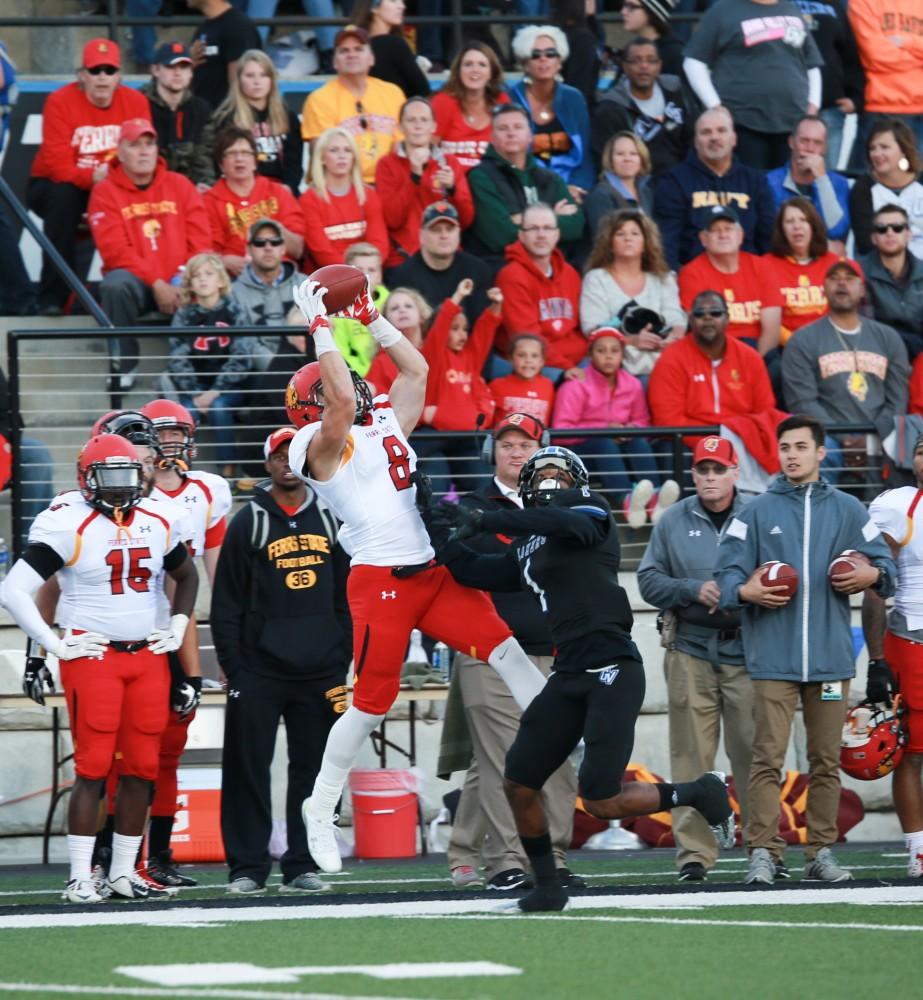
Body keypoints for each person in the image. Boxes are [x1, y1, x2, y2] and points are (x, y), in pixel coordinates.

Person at [286, 277, 548, 876]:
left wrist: (368, 316)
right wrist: (323, 326)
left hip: (431, 568)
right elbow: (343, 406)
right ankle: (320, 805)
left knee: (505, 648)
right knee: (372, 703)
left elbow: (418, 372)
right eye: (341, 382)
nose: (355, 386)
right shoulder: (313, 444)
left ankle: (557, 733)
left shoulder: (376, 424)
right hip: (381, 579)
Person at [430, 444, 734, 912]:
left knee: (601, 800)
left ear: (578, 482)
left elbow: (563, 523)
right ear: (527, 488)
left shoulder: (590, 515)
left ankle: (697, 792)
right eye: (541, 474)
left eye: (559, 474)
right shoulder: (530, 543)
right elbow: (479, 571)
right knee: (519, 781)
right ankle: (549, 884)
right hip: (569, 671)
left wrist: (488, 521)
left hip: (612, 665)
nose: (550, 482)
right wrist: (443, 536)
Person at [1, 433, 198, 902]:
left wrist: (177, 623)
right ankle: (80, 876)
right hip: (94, 657)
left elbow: (187, 574)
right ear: (86, 479)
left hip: (148, 655)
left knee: (143, 768)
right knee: (92, 769)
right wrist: (52, 645)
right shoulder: (67, 522)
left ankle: (123, 873)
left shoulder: (158, 518)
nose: (119, 488)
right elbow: (12, 590)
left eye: (127, 476)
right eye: (108, 478)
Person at [714, 413, 895, 884]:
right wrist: (745, 592)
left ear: (820, 452)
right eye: (785, 447)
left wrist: (871, 575)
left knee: (826, 760)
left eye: (800, 447)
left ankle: (820, 852)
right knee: (767, 757)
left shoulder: (851, 511)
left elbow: (884, 565)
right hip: (772, 662)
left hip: (831, 666)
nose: (791, 455)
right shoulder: (753, 512)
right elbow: (726, 574)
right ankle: (764, 852)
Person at [443, 414, 580, 892]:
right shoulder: (471, 507)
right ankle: (507, 859)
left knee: (557, 755)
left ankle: (554, 854)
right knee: (504, 757)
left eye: (526, 444)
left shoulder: (567, 508)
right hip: (492, 650)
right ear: (492, 450)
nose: (517, 452)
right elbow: (458, 571)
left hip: (557, 649)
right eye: (508, 443)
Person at [211, 427, 351, 895]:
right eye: (278, 455)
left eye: (295, 453)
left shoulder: (333, 516)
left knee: (314, 773)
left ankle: (302, 865)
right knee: (247, 769)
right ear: (267, 464)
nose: (287, 462)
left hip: (321, 670)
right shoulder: (247, 520)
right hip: (259, 671)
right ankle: (247, 868)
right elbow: (226, 603)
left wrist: (343, 657)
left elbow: (350, 596)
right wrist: (235, 665)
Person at [638, 435, 753, 882]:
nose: (709, 477)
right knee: (690, 757)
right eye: (702, 470)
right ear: (693, 474)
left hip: (748, 646)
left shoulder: (759, 514)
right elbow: (648, 580)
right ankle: (693, 854)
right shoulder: (673, 518)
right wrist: (690, 588)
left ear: (734, 472)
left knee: (755, 755)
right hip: (690, 645)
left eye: (717, 470)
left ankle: (765, 847)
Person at [135, 398, 232, 887]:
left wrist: (228, 640)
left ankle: (161, 855)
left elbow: (214, 573)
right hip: (130, 628)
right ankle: (112, 858)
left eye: (179, 434)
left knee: (171, 749)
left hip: (180, 627)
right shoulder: (128, 492)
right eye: (162, 434)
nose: (170, 444)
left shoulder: (209, 490)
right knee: (126, 753)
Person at [87, 117, 212, 393]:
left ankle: (196, 368)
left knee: (209, 279)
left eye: (149, 143)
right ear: (120, 152)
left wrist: (182, 280)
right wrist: (157, 283)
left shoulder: (180, 184)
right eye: (135, 145)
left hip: (181, 280)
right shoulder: (105, 191)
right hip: (140, 285)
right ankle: (125, 362)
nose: (144, 151)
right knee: (114, 284)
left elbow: (201, 242)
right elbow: (115, 251)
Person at [26, 38, 150, 315]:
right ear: (82, 75)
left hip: (115, 181)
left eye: (109, 70)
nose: (102, 77)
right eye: (95, 71)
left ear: (119, 76)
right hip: (56, 185)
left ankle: (142, 289)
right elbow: (58, 166)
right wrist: (96, 177)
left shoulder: (136, 101)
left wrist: (110, 180)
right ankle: (54, 297)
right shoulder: (59, 101)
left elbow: (143, 153)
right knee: (63, 196)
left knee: (145, 198)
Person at [782, 259, 910, 479]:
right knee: (816, 453)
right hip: (828, 440)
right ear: (824, 288)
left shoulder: (888, 338)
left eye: (849, 278)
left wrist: (871, 438)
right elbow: (803, 402)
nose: (842, 283)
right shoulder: (802, 340)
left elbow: (897, 400)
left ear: (862, 289)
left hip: (881, 437)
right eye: (834, 278)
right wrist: (844, 440)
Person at [862, 433, 923, 878]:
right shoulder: (900, 506)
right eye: (921, 451)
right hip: (913, 639)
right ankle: (918, 848)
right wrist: (876, 658)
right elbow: (876, 584)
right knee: (913, 754)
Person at [552, 327, 677, 524]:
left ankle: (654, 496)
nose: (608, 357)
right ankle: (626, 500)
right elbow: (560, 432)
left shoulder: (633, 384)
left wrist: (629, 430)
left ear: (622, 355)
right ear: (591, 354)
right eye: (601, 351)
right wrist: (606, 430)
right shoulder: (575, 385)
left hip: (621, 451)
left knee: (638, 441)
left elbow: (643, 423)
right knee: (605, 443)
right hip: (583, 453)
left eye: (614, 351)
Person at [682, 0, 823, 170]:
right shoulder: (722, 9)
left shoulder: (791, 8)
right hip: (743, 124)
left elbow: (812, 64)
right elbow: (693, 63)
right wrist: (716, 106)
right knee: (752, 190)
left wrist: (813, 107)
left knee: (789, 193)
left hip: (793, 124)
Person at [648, 289, 777, 447]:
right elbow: (667, 420)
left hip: (742, 440)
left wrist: (735, 439)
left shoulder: (750, 358)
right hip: (690, 443)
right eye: (700, 314)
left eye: (715, 313)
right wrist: (714, 444)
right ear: (691, 320)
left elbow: (764, 412)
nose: (707, 318)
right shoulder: (671, 358)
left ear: (727, 318)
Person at [654, 107, 777, 270]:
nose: (714, 137)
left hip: (749, 278)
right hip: (696, 278)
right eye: (706, 132)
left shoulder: (755, 181)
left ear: (734, 139)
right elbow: (668, 242)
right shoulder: (674, 181)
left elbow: (768, 239)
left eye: (721, 131)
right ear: (696, 142)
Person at [466, 104, 585, 270]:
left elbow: (576, 226)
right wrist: (552, 217)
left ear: (530, 135)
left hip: (551, 270)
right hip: (502, 271)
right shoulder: (480, 177)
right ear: (492, 137)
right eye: (503, 128)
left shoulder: (550, 178)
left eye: (518, 127)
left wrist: (520, 219)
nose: (511, 133)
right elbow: (501, 236)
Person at [167, 254, 252, 481]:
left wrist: (216, 390)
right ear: (189, 284)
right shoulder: (185, 315)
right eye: (196, 276)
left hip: (230, 386)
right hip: (197, 387)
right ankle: (184, 473)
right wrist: (196, 393)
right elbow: (178, 359)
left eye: (209, 274)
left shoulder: (235, 311)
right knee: (184, 415)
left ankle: (228, 471)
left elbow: (243, 357)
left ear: (221, 281)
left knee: (220, 407)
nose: (202, 280)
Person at [580, 208, 685, 380]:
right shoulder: (596, 279)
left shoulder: (663, 279)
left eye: (635, 233)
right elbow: (593, 329)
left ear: (646, 243)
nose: (628, 238)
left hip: (662, 362)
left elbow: (675, 317)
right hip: (613, 366)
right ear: (609, 244)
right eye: (620, 234)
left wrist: (672, 338)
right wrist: (632, 340)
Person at [375, 96, 473, 268]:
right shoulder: (386, 165)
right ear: (400, 127)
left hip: (446, 255)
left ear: (433, 126)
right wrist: (414, 176)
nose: (418, 125)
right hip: (404, 257)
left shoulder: (449, 163)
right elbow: (392, 219)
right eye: (411, 120)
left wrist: (452, 190)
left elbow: (466, 220)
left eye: (424, 120)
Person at [300, 26, 405, 186]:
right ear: (335, 62)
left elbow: (401, 148)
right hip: (342, 187)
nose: (351, 54)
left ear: (371, 58)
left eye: (358, 49)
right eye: (344, 51)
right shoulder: (319, 99)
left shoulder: (393, 93)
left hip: (388, 185)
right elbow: (322, 155)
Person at [495, 203, 585, 374]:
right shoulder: (511, 276)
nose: (541, 235)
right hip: (534, 364)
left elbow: (582, 327)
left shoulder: (570, 274)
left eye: (548, 228)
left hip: (576, 359)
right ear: (521, 235)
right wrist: (568, 368)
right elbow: (528, 341)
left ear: (557, 234)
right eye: (533, 229)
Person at [678, 204, 783, 350]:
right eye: (715, 230)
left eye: (728, 228)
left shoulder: (762, 267)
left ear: (740, 235)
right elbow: (702, 330)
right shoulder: (691, 273)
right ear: (703, 239)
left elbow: (772, 330)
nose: (723, 235)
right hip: (715, 352)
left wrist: (755, 364)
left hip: (759, 352)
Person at [204, 127, 304, 278]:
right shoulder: (209, 201)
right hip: (237, 282)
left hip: (282, 276)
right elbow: (205, 253)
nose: (239, 159)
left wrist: (274, 228)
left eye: (245, 153)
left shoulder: (278, 193)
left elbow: (298, 250)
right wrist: (223, 261)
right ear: (221, 165)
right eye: (231, 153)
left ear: (255, 161)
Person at [508, 25, 594, 194]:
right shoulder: (510, 99)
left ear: (559, 62)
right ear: (525, 64)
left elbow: (586, 156)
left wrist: (577, 187)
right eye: (535, 55)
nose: (543, 59)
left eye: (550, 54)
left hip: (570, 187)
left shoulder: (573, 98)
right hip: (525, 187)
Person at [204, 50, 303, 196]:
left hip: (281, 192)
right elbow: (218, 164)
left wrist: (288, 188)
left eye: (263, 75)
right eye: (250, 76)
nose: (257, 82)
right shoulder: (225, 119)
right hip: (241, 192)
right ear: (239, 80)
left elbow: (294, 163)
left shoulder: (288, 117)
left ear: (272, 80)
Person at [591, 37, 692, 179]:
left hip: (682, 181)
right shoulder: (610, 108)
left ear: (659, 65)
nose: (644, 66)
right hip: (638, 186)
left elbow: (693, 140)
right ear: (625, 67)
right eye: (636, 60)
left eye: (651, 60)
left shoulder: (676, 91)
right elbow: (606, 161)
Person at [386, 201, 492, 327]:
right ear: (421, 235)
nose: (444, 235)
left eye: (450, 229)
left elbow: (481, 327)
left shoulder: (478, 270)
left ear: (458, 233)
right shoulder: (403, 277)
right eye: (436, 230)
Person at [758, 198, 841, 355]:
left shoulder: (834, 263)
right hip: (786, 349)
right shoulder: (766, 265)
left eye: (803, 220)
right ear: (781, 230)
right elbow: (767, 321)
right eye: (790, 221)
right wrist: (795, 342)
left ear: (813, 226)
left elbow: (843, 312)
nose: (797, 226)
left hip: (831, 346)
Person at [299, 128, 389, 269]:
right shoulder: (309, 199)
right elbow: (322, 252)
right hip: (327, 278)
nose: (342, 156)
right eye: (334, 150)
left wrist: (366, 270)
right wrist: (353, 272)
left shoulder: (368, 195)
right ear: (322, 157)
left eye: (347, 150)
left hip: (366, 275)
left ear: (354, 157)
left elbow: (380, 244)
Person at [792, 0, 864, 171]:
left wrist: (856, 98)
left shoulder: (837, 5)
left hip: (830, 108)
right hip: (790, 107)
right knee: (788, 175)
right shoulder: (779, 3)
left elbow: (850, 54)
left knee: (826, 176)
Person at [765, 116, 851, 249]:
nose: (810, 149)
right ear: (791, 142)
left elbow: (836, 230)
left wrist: (822, 180)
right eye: (804, 141)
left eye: (817, 143)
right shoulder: (769, 182)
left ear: (825, 148)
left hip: (822, 264)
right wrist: (822, 245)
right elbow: (773, 234)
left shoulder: (839, 183)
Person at [848, 0, 923, 151]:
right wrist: (918, 59)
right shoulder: (863, 2)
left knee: (915, 174)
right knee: (872, 174)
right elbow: (876, 54)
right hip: (880, 111)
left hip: (920, 112)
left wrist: (907, 42)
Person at [142, 42, 215, 189]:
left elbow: (204, 158)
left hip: (190, 192)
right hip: (149, 191)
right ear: (155, 70)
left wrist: (204, 185)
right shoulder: (139, 104)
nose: (177, 73)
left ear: (191, 72)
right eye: (170, 67)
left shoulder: (201, 109)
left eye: (184, 67)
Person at [849, 119, 923, 260]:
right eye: (872, 148)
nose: (876, 154)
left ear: (903, 150)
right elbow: (865, 243)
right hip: (881, 271)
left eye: (884, 147)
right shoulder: (863, 188)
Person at [431, 42, 509, 172]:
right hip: (449, 182)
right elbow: (428, 148)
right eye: (468, 64)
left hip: (489, 183)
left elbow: (509, 150)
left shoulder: (501, 101)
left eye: (482, 65)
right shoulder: (443, 101)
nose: (475, 70)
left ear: (491, 73)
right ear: (458, 71)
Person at [860, 204, 923, 362]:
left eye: (897, 227)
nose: (890, 233)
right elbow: (864, 328)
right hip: (878, 355)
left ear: (908, 234)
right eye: (882, 229)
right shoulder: (859, 272)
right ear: (874, 238)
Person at [231, 218, 307, 328]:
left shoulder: (305, 285)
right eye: (259, 242)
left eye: (275, 242)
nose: (268, 248)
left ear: (283, 248)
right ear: (248, 249)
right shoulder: (233, 292)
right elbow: (239, 340)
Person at [188, 0, 262, 110]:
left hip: (226, 120)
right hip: (203, 117)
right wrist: (189, 63)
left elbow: (239, 84)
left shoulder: (238, 26)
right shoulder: (203, 28)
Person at [350, 0, 430, 98]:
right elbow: (424, 91)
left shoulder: (353, 46)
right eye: (393, 1)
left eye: (402, 1)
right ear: (374, 7)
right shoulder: (394, 44)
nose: (402, 6)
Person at [584, 131, 655, 241]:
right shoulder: (600, 196)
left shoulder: (647, 192)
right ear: (610, 160)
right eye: (620, 154)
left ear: (641, 158)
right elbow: (603, 242)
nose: (627, 158)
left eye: (633, 153)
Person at [332, 243, 389, 376]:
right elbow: (341, 351)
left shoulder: (392, 303)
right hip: (357, 378)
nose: (366, 276)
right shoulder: (338, 309)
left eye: (372, 270)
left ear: (380, 274)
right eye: (359, 270)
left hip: (391, 373)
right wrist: (367, 375)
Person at [364, 286, 431, 395]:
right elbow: (377, 398)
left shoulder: (437, 350)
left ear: (422, 316)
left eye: (408, 306)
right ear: (386, 322)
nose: (402, 310)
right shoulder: (380, 362)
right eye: (394, 308)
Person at [489, 335, 556, 426]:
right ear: (511, 359)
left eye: (534, 356)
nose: (528, 360)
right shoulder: (497, 385)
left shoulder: (548, 385)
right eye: (521, 355)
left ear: (542, 361)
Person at [618, 0, 684, 76]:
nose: (623, 12)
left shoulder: (674, 54)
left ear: (652, 12)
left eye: (632, 7)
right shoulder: (631, 49)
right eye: (624, 5)